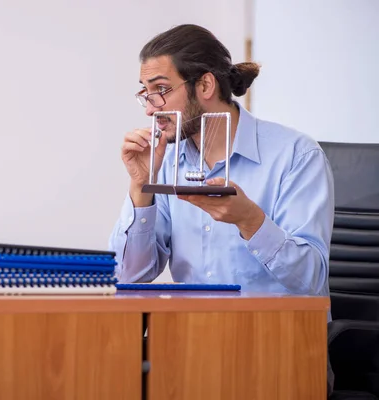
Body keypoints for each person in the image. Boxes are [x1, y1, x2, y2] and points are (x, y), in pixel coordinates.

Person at [108, 24, 336, 394]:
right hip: (190, 348)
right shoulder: (165, 160)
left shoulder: (296, 156)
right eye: (145, 94)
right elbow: (128, 277)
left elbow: (311, 280)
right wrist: (140, 188)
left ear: (206, 86)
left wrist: (250, 221)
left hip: (278, 351)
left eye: (161, 91)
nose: (151, 108)